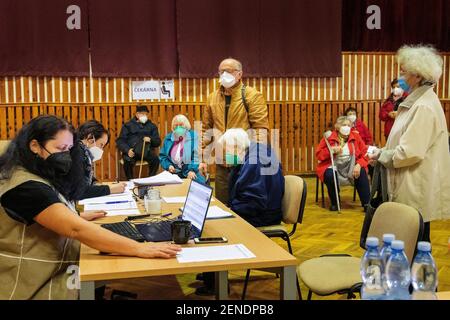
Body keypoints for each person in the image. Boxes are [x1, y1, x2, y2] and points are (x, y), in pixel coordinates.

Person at [0, 115, 180, 299]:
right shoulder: (25, 185)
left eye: (69, 149)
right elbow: (75, 229)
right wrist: (140, 248)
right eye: (61, 148)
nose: (67, 156)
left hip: (52, 267)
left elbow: (49, 213)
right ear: (35, 146)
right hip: (34, 282)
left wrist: (72, 215)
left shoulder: (37, 171)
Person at [371, 45, 450, 242]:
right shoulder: (416, 101)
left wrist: (381, 155)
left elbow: (409, 152)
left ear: (417, 76)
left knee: (413, 247)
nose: (400, 76)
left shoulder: (423, 106)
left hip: (415, 188)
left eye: (403, 71)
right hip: (409, 185)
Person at [197, 128, 284, 296]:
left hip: (262, 214)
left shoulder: (254, 161)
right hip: (262, 208)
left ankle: (215, 282)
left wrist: (231, 210)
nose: (223, 156)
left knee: (215, 227)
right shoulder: (254, 150)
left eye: (225, 151)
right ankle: (212, 272)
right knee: (214, 221)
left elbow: (253, 201)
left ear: (236, 147)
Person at [200, 58, 269, 205]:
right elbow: (206, 130)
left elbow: (260, 130)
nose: (224, 74)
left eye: (229, 71)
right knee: (222, 205)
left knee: (243, 204)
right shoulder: (212, 98)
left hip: (243, 162)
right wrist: (200, 159)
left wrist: (252, 159)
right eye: (221, 71)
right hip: (222, 162)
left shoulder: (252, 95)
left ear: (239, 74)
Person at [316, 116, 370, 212]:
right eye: (344, 125)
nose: (346, 127)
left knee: (361, 171)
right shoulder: (329, 137)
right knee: (329, 174)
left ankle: (367, 204)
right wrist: (331, 150)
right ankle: (335, 202)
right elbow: (319, 155)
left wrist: (359, 164)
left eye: (349, 125)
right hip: (332, 165)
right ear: (337, 126)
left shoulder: (356, 136)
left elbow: (365, 153)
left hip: (350, 165)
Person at [76, 120, 127, 203]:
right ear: (90, 138)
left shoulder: (83, 153)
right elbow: (79, 191)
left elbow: (86, 179)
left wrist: (97, 185)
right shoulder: (77, 153)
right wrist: (109, 189)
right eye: (101, 145)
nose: (101, 149)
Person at [116, 105, 161, 180]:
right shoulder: (128, 125)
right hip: (132, 151)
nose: (145, 116)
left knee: (155, 160)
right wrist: (127, 150)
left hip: (146, 151)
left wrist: (150, 139)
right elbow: (120, 140)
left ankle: (151, 180)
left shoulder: (152, 126)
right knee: (127, 160)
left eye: (146, 114)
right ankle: (130, 181)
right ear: (137, 114)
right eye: (142, 114)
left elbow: (157, 141)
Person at [159, 115, 206, 184]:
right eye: (176, 125)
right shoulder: (168, 138)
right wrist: (168, 166)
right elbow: (163, 156)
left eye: (181, 125)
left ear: (186, 126)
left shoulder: (193, 137)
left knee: (197, 185)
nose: (178, 127)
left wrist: (191, 170)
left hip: (189, 170)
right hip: (174, 172)